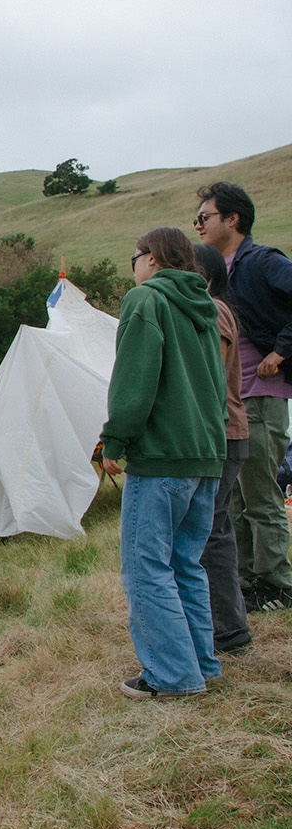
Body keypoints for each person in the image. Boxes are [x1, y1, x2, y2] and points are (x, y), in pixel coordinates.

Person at [100, 227, 226, 698]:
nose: (133, 267)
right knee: (186, 565)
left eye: (133, 258)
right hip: (204, 455)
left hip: (162, 457)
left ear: (151, 258)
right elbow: (216, 386)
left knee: (145, 567)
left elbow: (135, 381)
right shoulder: (205, 306)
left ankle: (173, 676)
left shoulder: (146, 300)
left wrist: (115, 440)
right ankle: (201, 665)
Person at [194, 182, 292, 611]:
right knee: (233, 499)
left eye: (205, 217)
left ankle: (276, 584)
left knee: (261, 495)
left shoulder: (262, 261)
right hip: (233, 401)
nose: (198, 226)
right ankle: (247, 581)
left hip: (263, 395)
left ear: (232, 219)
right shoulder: (218, 271)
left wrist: (282, 350)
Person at [192, 242, 252, 655]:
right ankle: (227, 626)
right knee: (216, 530)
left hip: (223, 435)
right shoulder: (216, 309)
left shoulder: (213, 310)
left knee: (210, 534)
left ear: (204, 275)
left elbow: (209, 377)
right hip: (225, 433)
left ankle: (227, 630)